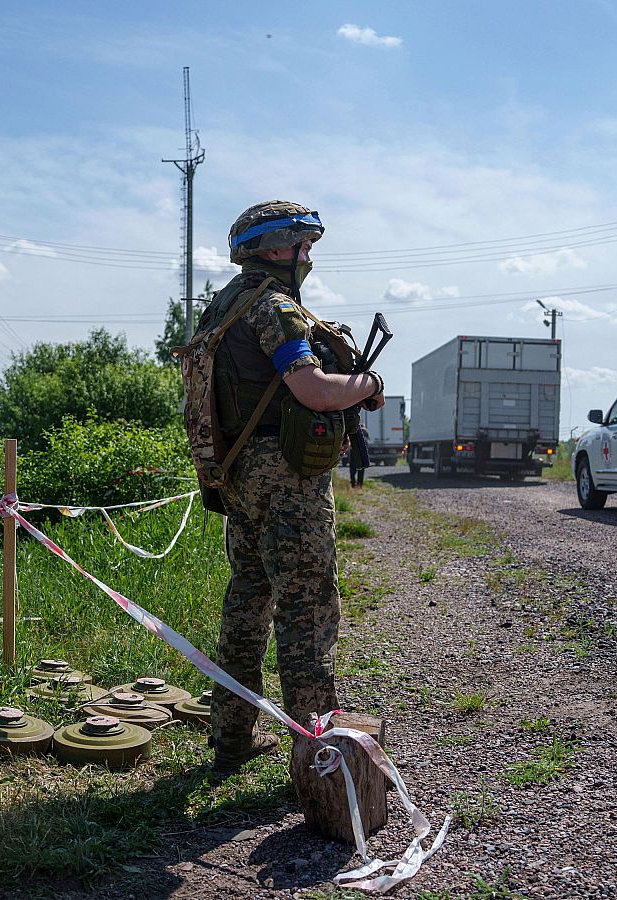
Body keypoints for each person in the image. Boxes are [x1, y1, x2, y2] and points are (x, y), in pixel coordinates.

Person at [199, 200, 385, 772]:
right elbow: (312, 391)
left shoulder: (222, 307)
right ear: (273, 248)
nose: (306, 256)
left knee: (247, 604)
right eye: (300, 245)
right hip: (285, 476)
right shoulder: (274, 307)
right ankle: (320, 757)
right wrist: (367, 383)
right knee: (306, 610)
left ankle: (230, 740)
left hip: (237, 474)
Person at [348, 420, 370, 488]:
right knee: (361, 470)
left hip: (353, 453)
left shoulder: (353, 430)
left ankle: (353, 484)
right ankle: (359, 484)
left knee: (352, 469)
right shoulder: (366, 432)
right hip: (361, 453)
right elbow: (367, 443)